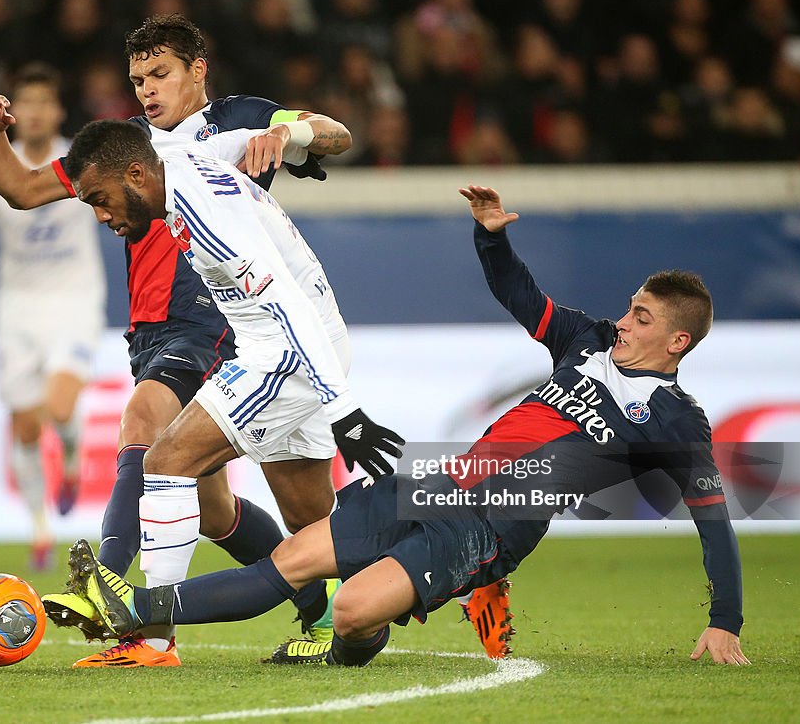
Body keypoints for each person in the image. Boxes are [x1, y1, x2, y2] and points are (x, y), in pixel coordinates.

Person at [56, 184, 749, 668]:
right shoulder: (589, 342)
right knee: (294, 561)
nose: (624, 322)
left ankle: (361, 641)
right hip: (438, 483)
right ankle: (135, 610)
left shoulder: (675, 422)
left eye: (643, 318)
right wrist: (490, 240)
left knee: (355, 612)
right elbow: (522, 299)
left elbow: (712, 518)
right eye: (630, 308)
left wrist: (725, 621)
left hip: (490, 525)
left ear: (678, 342)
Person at [0, 13, 382, 667]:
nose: (149, 90)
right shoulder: (125, 148)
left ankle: (121, 600)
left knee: (151, 434)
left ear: (198, 71)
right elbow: (20, 189)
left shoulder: (238, 125)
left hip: (226, 325)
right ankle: (343, 601)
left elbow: (336, 134)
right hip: (156, 331)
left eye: (160, 74)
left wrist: (291, 132)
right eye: (137, 80)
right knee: (232, 510)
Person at [0, 63, 107, 570]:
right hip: (16, 307)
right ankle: (40, 529)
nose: (34, 112)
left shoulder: (80, 160)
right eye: (26, 102)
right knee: (24, 427)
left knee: (58, 408)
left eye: (44, 102)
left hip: (75, 299)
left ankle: (75, 459)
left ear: (58, 111)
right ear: (13, 111)